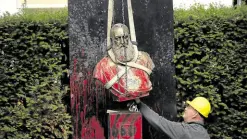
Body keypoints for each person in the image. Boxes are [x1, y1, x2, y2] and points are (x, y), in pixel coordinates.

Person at [134, 97, 211, 139]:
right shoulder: (205, 135)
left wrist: (139, 103)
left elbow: (159, 122)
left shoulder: (186, 131)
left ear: (195, 114)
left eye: (189, 107)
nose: (186, 109)